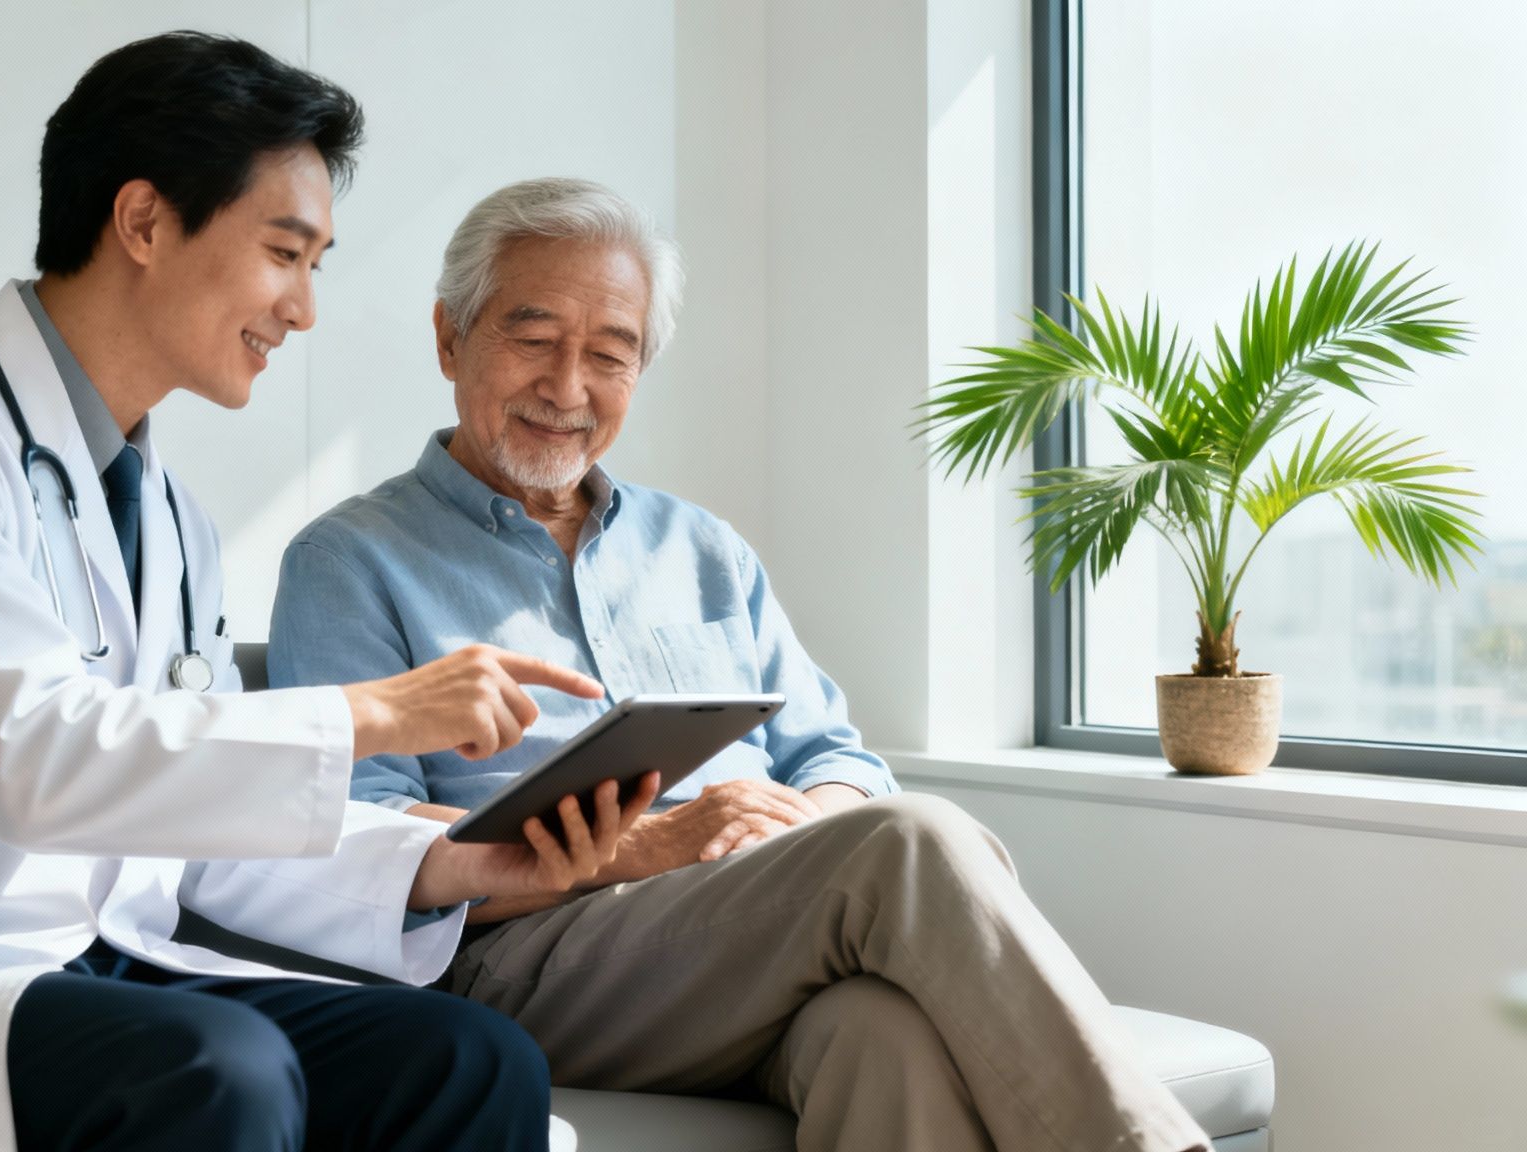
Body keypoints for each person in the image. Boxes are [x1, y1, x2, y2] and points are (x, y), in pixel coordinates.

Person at [0, 39, 654, 1152]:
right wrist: (373, 713)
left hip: (77, 971)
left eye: (317, 265)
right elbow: (31, 757)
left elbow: (194, 832)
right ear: (144, 222)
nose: (302, 310)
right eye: (284, 253)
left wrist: (454, 863)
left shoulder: (169, 520)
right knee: (211, 1075)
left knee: (469, 1059)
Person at [268, 177, 1214, 1152]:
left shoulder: (701, 548)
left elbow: (837, 758)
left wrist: (792, 835)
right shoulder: (348, 561)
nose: (567, 386)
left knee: (876, 1036)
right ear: (448, 339)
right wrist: (643, 848)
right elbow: (352, 838)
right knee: (905, 840)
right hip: (525, 952)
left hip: (754, 928)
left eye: (609, 354)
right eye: (534, 337)